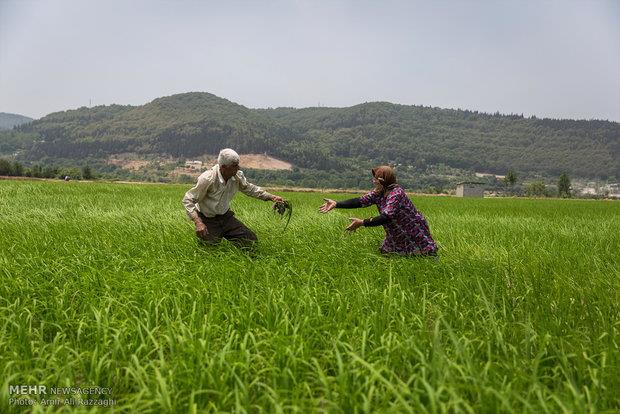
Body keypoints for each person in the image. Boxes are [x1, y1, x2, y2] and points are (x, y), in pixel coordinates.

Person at [319, 166, 438, 256]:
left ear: (383, 181)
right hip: (396, 234)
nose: (373, 181)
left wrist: (362, 222)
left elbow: (386, 217)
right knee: (388, 256)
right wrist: (336, 204)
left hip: (412, 231)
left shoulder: (396, 194)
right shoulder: (378, 193)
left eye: (376, 179)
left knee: (424, 256)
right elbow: (360, 201)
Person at [182, 148, 283, 247]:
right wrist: (198, 222)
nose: (238, 168)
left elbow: (250, 189)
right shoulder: (208, 178)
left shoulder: (237, 176)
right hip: (207, 219)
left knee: (250, 241)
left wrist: (271, 197)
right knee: (210, 250)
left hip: (225, 217)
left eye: (238, 165)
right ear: (223, 167)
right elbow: (188, 199)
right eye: (234, 166)